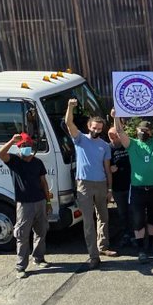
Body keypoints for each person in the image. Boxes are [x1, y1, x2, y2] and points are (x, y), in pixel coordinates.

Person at [113, 106, 153, 264]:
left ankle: (152, 244)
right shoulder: (132, 144)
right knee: (137, 220)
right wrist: (116, 117)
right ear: (136, 131)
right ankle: (141, 249)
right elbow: (120, 132)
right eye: (140, 130)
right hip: (137, 189)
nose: (142, 132)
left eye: (145, 130)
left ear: (150, 131)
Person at [65, 98, 115, 269]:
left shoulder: (105, 146)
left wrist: (110, 189)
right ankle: (93, 256)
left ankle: (103, 247)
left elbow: (107, 169)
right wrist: (70, 107)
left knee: (104, 217)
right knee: (88, 221)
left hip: (101, 184)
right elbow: (69, 123)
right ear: (89, 126)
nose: (96, 131)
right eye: (94, 128)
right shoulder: (80, 139)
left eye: (99, 129)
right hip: (84, 185)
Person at [0, 132, 51, 275]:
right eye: (22, 145)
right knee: (22, 235)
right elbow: (0, 154)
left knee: (41, 232)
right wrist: (11, 141)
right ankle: (21, 266)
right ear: (19, 147)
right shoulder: (14, 161)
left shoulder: (38, 162)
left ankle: (39, 258)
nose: (25, 147)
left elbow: (44, 183)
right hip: (24, 204)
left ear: (32, 146)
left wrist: (48, 202)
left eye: (27, 145)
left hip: (40, 201)